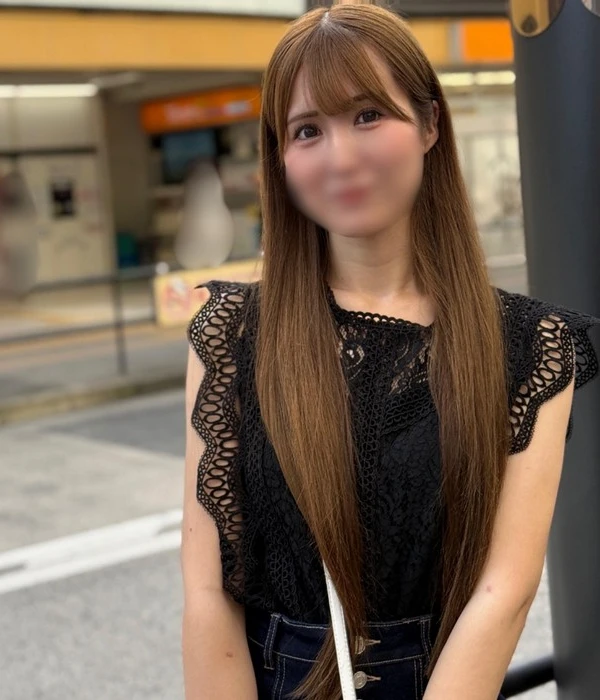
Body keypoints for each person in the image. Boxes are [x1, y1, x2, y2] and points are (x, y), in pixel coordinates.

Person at [180, 3, 600, 699]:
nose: (341, 157)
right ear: (280, 156)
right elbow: (206, 586)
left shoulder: (533, 347)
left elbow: (505, 590)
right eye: (307, 130)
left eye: (368, 115)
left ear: (431, 124)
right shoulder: (233, 330)